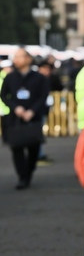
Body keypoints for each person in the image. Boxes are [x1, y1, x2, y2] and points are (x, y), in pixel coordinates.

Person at [1, 48, 50, 189]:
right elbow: (4, 95)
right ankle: (22, 177)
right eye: (15, 57)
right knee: (17, 148)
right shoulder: (10, 77)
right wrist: (15, 108)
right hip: (15, 119)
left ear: (28, 59)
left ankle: (29, 172)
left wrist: (33, 111)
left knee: (33, 147)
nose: (16, 59)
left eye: (19, 57)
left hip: (33, 118)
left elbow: (43, 96)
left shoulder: (39, 78)